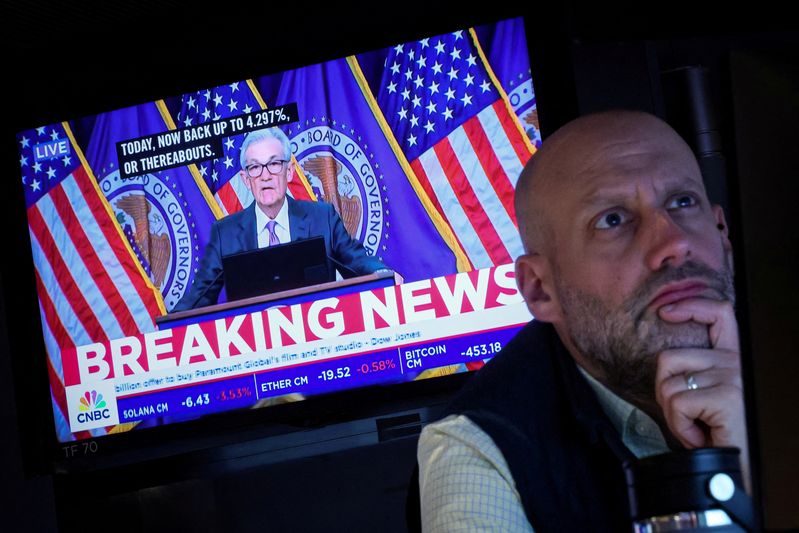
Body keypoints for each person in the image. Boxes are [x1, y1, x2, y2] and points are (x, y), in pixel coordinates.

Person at [416, 110, 749, 532]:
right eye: (613, 220)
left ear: (722, 232)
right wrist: (742, 493)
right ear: (540, 289)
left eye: (682, 202)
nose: (674, 243)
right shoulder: (483, 448)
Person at [173, 127, 387, 311]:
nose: (265, 175)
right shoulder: (225, 234)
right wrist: (167, 324)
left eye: (274, 164)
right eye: (255, 167)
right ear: (246, 180)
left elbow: (357, 261)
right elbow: (199, 297)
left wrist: (383, 274)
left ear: (290, 171)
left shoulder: (322, 218)